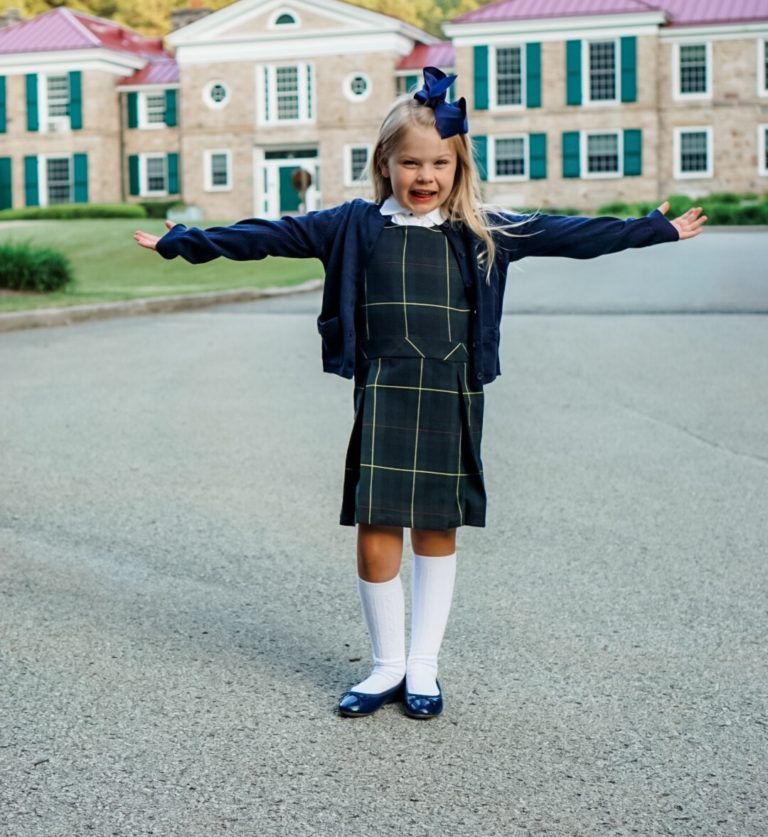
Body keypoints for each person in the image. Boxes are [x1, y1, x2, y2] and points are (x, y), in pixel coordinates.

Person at [134, 67, 708, 720]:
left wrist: (650, 229)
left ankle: (424, 668)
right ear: (386, 162)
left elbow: (568, 234)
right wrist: (185, 243)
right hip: (384, 394)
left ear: (458, 166)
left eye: (440, 162)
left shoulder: (482, 230)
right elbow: (267, 235)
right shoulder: (351, 225)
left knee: (438, 528)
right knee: (376, 528)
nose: (426, 175)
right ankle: (386, 666)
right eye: (412, 162)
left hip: (450, 394)